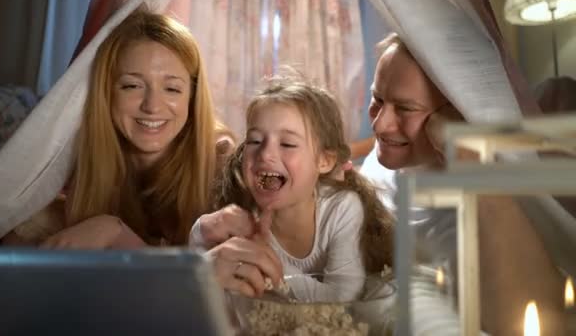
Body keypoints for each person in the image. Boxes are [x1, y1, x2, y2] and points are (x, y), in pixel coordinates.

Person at [363, 32, 565, 335]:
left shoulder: (477, 202)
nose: (379, 124)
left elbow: (540, 321)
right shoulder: (381, 164)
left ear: (453, 112)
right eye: (377, 99)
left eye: (405, 108)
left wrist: (465, 152)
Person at [1, 7, 235, 249]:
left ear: (191, 97)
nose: (152, 106)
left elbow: (216, 276)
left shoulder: (222, 162)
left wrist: (113, 232)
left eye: (172, 89)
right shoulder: (72, 156)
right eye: (132, 86)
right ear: (107, 91)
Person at [190, 73, 394, 300]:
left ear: (324, 161)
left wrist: (271, 266)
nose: (265, 154)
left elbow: (342, 300)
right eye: (255, 141)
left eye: (287, 143)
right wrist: (201, 230)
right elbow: (200, 271)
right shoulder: (242, 213)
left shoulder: (342, 208)